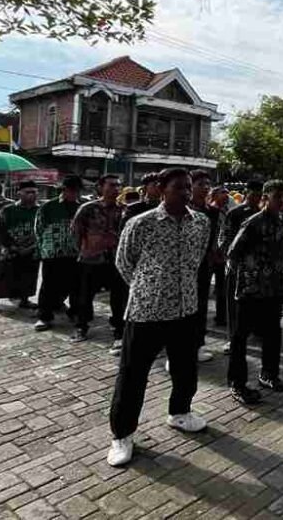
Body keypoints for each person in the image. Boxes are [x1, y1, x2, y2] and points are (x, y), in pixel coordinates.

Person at [106, 168, 210, 467]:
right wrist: (149, 287)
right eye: (179, 187)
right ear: (161, 189)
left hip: (186, 310)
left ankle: (180, 413)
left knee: (185, 369)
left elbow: (197, 259)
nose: (187, 193)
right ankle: (122, 435)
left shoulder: (200, 223)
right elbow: (124, 262)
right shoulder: (142, 223)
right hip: (146, 312)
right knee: (132, 375)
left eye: (189, 187)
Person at [225, 180, 283, 404]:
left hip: (273, 290)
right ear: (265, 198)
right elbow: (233, 253)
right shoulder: (252, 223)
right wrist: (248, 276)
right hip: (250, 291)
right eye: (278, 197)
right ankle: (237, 384)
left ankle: (269, 374)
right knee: (240, 338)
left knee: (273, 334)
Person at [72, 174, 128, 350]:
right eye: (111, 185)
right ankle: (82, 327)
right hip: (91, 259)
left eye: (118, 185)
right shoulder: (88, 209)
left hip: (116, 261)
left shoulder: (124, 210)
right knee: (85, 296)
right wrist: (84, 250)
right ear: (100, 187)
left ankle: (119, 330)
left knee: (119, 297)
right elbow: (75, 232)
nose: (116, 189)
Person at [218, 180, 263, 354]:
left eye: (260, 195)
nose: (257, 198)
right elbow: (223, 238)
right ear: (246, 193)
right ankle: (232, 339)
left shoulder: (261, 213)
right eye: (254, 194)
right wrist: (231, 258)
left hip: (257, 268)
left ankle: (255, 331)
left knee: (254, 302)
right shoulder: (235, 213)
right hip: (237, 267)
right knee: (233, 304)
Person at [34, 175, 83, 330]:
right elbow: (39, 229)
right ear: (63, 190)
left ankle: (74, 312)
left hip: (75, 254)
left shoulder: (81, 207)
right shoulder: (48, 207)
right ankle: (44, 316)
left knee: (76, 286)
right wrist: (45, 247)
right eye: (71, 190)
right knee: (49, 286)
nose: (74, 194)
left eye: (77, 191)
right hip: (52, 253)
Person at [0, 181, 41, 315]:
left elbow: (43, 230)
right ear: (19, 194)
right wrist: (12, 246)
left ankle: (24, 300)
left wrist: (32, 247)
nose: (32, 195)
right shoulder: (8, 210)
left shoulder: (40, 211)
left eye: (34, 192)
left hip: (32, 250)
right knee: (2, 276)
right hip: (10, 250)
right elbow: (0, 230)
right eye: (28, 192)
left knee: (29, 276)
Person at [188, 169, 219, 363]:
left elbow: (214, 238)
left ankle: (198, 344)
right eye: (200, 184)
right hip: (182, 266)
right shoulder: (183, 209)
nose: (205, 188)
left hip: (203, 266)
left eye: (208, 184)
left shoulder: (212, 212)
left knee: (200, 306)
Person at [209, 185, 231, 327]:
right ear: (215, 195)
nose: (226, 195)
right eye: (223, 193)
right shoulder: (210, 211)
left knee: (222, 287)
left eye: (227, 193)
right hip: (209, 255)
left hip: (222, 255)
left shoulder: (227, 211)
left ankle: (221, 316)